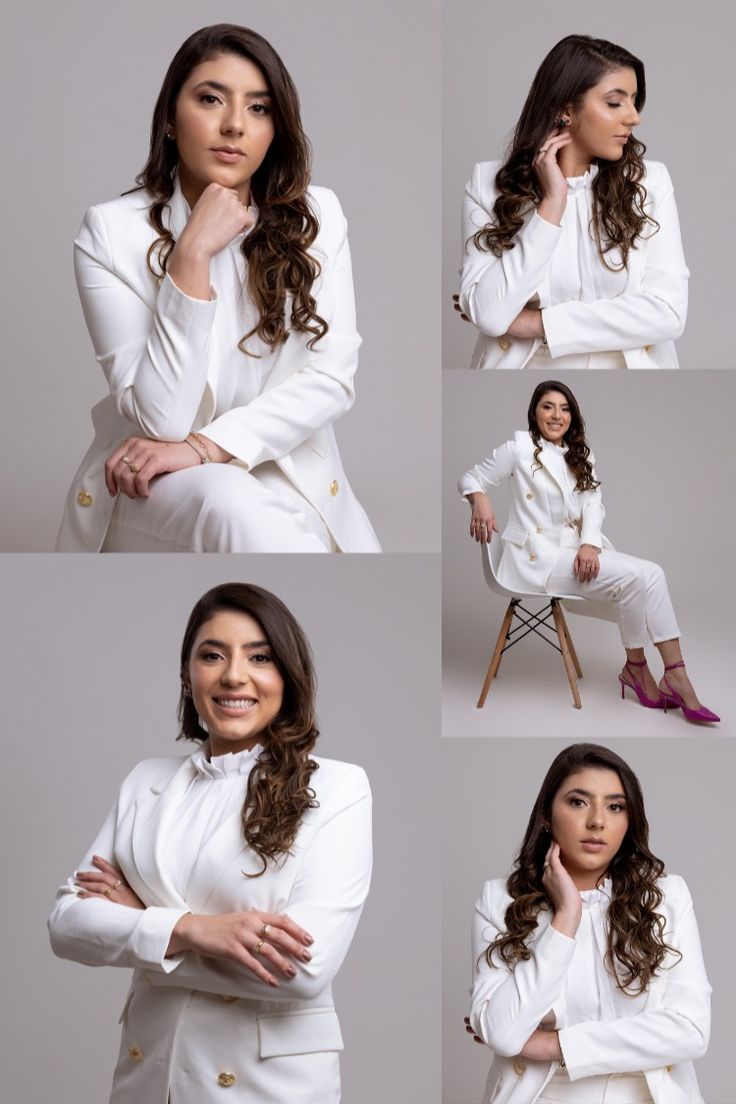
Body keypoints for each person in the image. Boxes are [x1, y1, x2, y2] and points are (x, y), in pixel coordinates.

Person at [55, 23, 381, 553]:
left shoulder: (319, 216)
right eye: (211, 99)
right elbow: (161, 421)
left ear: (277, 129)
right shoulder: (110, 232)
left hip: (283, 462)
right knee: (235, 507)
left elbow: (333, 377)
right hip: (155, 481)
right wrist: (191, 255)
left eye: (258, 108)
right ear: (168, 117)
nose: (234, 126)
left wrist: (208, 445)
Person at [48, 582, 373, 1103]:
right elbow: (66, 924)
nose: (233, 675)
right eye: (212, 655)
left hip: (264, 1087)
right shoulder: (144, 781)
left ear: (288, 676)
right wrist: (196, 930)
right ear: (187, 675)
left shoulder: (336, 787)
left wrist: (140, 920)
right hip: (149, 1074)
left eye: (259, 656)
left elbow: (302, 970)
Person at [459, 380, 719, 722]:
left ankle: (674, 673)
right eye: (548, 406)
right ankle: (639, 669)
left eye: (564, 408)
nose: (557, 415)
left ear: (573, 416)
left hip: (574, 551)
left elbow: (594, 503)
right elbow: (470, 477)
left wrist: (588, 544)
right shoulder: (518, 449)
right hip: (536, 559)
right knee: (632, 579)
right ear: (534, 412)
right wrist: (479, 500)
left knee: (653, 573)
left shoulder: (580, 454)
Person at [466, 743, 711, 1104]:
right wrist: (565, 918)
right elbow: (502, 1034)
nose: (597, 821)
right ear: (547, 814)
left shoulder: (666, 898)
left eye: (615, 806)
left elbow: (690, 1030)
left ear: (629, 821)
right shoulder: (499, 900)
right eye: (578, 802)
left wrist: (555, 1044)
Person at [455, 35, 688, 370]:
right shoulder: (488, 185)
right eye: (614, 103)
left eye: (634, 101)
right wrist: (552, 203)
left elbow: (668, 313)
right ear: (565, 109)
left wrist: (538, 324)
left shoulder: (649, 183)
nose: (634, 117)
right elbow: (490, 315)